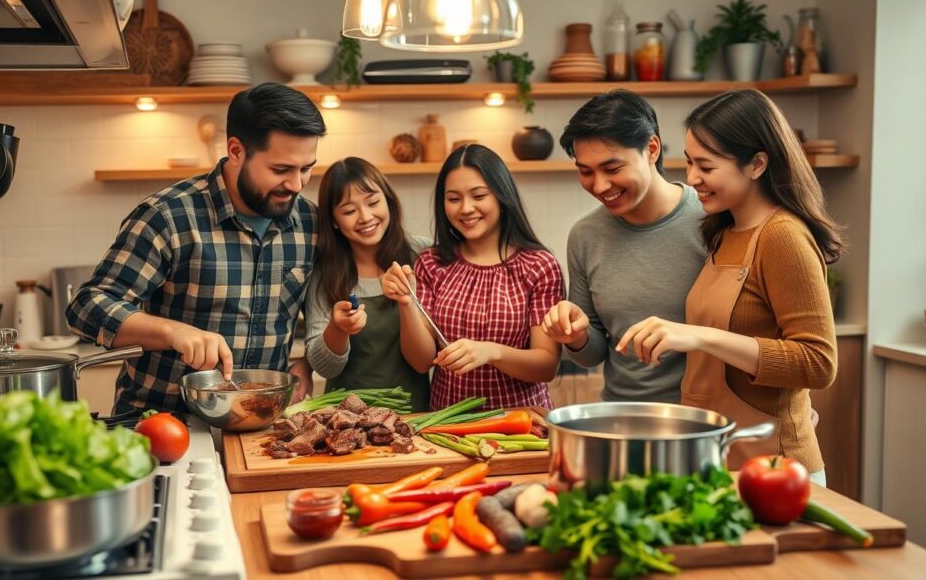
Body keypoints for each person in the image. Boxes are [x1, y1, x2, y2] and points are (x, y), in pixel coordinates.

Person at [617, 89, 843, 484]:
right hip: (719, 458)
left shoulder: (783, 236)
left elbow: (818, 362)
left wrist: (703, 337)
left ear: (756, 164)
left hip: (776, 469)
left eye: (706, 166)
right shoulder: (724, 231)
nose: (691, 179)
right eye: (689, 163)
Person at [67, 83, 325, 414]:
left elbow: (324, 312)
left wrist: (305, 361)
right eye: (280, 169)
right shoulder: (169, 216)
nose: (296, 184)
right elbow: (86, 308)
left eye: (306, 168)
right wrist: (172, 332)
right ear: (236, 151)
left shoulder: (309, 222)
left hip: (257, 424)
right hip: (161, 422)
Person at [540, 90, 706, 404]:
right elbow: (593, 354)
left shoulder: (710, 220)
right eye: (585, 172)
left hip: (702, 418)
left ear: (652, 149)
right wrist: (576, 338)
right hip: (622, 415)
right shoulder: (585, 235)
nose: (599, 186)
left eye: (613, 169)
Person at [381, 144, 564, 410]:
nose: (466, 208)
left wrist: (491, 352)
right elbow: (421, 362)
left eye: (479, 196)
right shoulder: (432, 263)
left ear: (502, 196)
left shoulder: (539, 266)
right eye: (454, 199)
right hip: (448, 425)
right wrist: (406, 302)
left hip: (522, 426)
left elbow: (546, 366)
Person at [304, 157, 432, 411]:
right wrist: (338, 328)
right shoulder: (324, 272)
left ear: (389, 200)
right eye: (349, 211)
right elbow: (325, 367)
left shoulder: (422, 255)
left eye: (373, 202)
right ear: (333, 221)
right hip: (346, 421)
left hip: (416, 415)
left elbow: (426, 360)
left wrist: (408, 301)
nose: (365, 217)